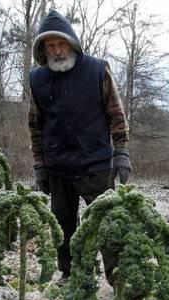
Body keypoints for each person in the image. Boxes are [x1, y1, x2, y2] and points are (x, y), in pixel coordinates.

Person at [28, 10, 131, 284]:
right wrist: (40, 166)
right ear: (43, 49)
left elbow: (116, 113)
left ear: (72, 43)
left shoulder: (97, 69)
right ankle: (69, 274)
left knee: (107, 223)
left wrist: (121, 151)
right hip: (58, 167)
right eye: (51, 46)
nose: (58, 51)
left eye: (61, 44)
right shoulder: (37, 79)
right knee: (63, 225)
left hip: (95, 164)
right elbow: (35, 125)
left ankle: (118, 275)